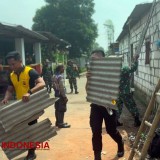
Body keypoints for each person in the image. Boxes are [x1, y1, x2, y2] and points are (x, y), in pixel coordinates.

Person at [1, 51, 45, 160]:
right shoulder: (12, 75)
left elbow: (41, 83)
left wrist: (29, 92)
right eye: (10, 65)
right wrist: (6, 98)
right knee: (22, 129)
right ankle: (27, 149)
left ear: (20, 61)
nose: (11, 67)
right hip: (20, 107)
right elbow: (10, 90)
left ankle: (32, 153)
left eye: (13, 64)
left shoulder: (30, 71)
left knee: (30, 129)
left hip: (31, 106)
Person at [86, 49, 124, 160]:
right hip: (96, 106)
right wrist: (89, 79)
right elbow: (88, 91)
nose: (93, 61)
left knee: (111, 130)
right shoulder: (91, 73)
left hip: (109, 105)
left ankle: (120, 143)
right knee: (96, 131)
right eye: (92, 59)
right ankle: (97, 156)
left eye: (96, 59)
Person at [116, 53, 141, 127]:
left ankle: (115, 121)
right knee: (132, 105)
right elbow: (133, 68)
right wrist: (135, 60)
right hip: (125, 93)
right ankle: (137, 120)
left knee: (118, 107)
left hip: (117, 93)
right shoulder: (124, 69)